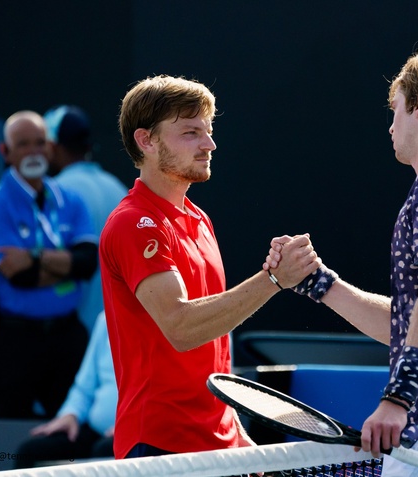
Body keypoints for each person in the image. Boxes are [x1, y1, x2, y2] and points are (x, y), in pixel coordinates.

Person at [265, 40, 418, 476]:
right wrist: (319, 282)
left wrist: (397, 399)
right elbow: (412, 322)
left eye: (394, 108)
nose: (390, 125)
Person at [99, 74, 319, 459]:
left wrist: (236, 435)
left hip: (218, 446)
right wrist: (271, 280)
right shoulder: (133, 221)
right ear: (146, 140)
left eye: (208, 130)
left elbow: (215, 347)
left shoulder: (200, 219)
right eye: (190, 132)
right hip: (159, 445)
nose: (209, 144)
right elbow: (182, 328)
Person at [0, 110, 98, 419]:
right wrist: (64, 264)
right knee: (8, 432)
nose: (33, 152)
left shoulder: (70, 198)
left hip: (66, 334)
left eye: (39, 143)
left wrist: (33, 256)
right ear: (5, 151)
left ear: (51, 147)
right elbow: (21, 278)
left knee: (72, 430)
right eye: (23, 144)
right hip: (16, 339)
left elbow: (87, 264)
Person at [43, 105, 128, 332]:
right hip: (116, 335)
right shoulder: (119, 190)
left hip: (70, 334)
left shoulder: (55, 192)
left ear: (51, 147)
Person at [14, 311, 116, 468]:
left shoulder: (161, 318)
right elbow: (83, 388)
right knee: (30, 451)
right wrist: (70, 414)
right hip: (95, 430)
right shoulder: (106, 318)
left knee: (103, 453)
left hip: (136, 431)